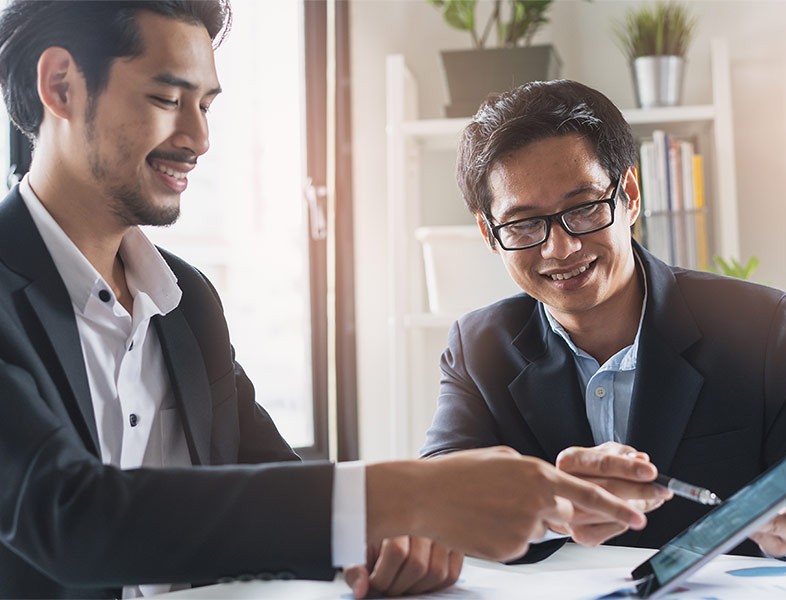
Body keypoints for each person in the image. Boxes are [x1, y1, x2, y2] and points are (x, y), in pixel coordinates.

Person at [0, 2, 650, 597]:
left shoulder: (185, 302)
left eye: (207, 106)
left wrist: (431, 528)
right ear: (61, 86)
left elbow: (280, 500)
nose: (198, 138)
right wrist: (404, 496)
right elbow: (67, 514)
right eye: (169, 97)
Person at [420, 78, 786, 561]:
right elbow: (437, 495)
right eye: (523, 223)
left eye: (582, 208)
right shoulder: (479, 348)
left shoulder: (766, 329)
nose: (561, 249)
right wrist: (553, 503)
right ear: (489, 232)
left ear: (630, 194)